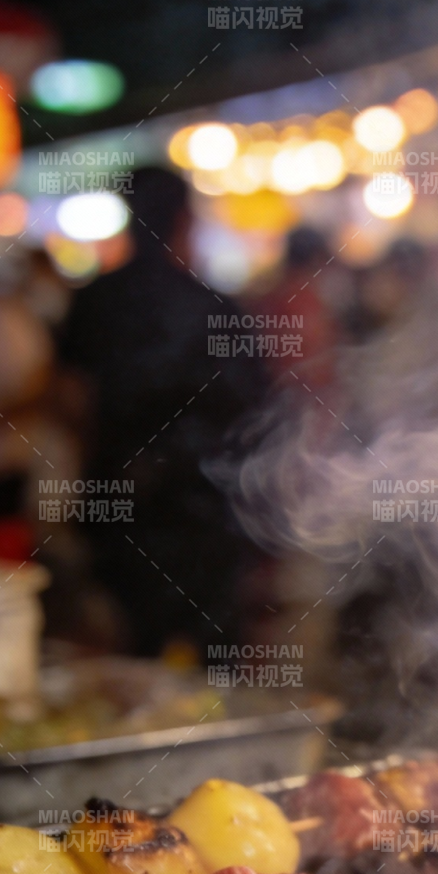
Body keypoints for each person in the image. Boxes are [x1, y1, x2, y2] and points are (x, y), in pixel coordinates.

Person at [60, 166, 267, 656]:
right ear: (184, 220)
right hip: (205, 506)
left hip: (121, 499)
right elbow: (254, 413)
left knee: (133, 646)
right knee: (214, 647)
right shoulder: (214, 306)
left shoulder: (95, 301)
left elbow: (70, 401)